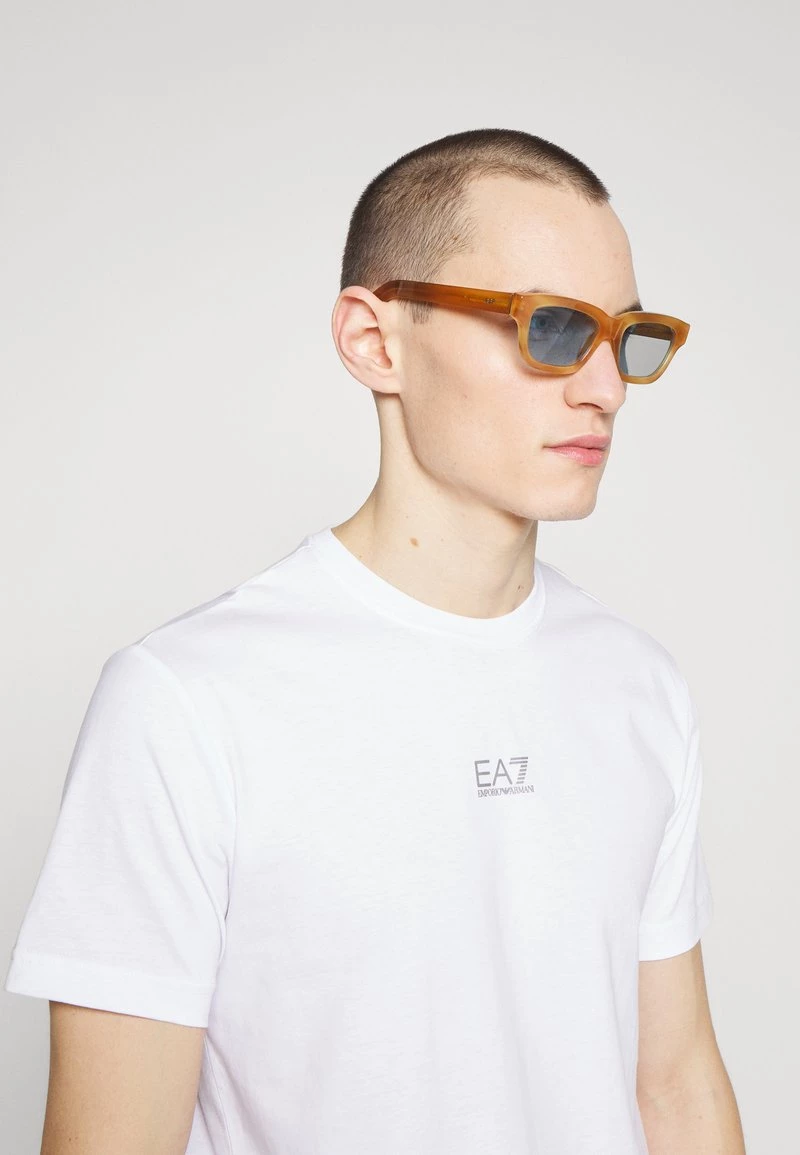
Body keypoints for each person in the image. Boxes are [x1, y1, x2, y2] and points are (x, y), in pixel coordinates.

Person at [4, 127, 746, 1154]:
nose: (605, 389)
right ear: (373, 339)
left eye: (626, 338)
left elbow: (675, 1087)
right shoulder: (184, 702)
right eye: (550, 329)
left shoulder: (637, 685)